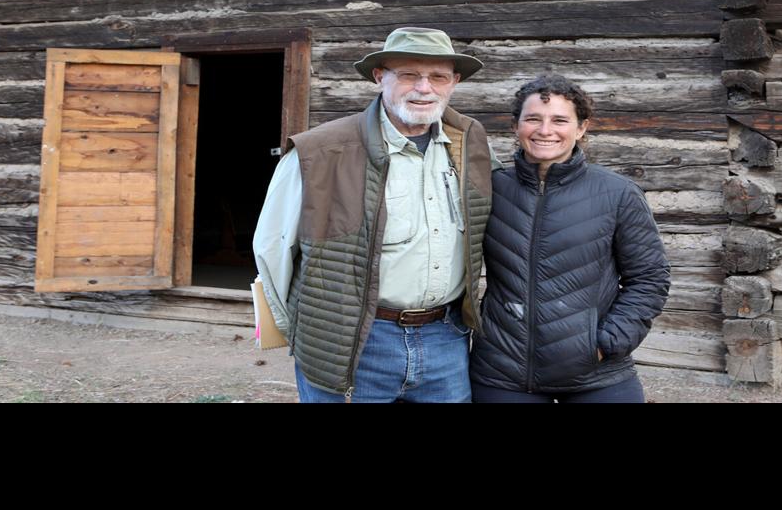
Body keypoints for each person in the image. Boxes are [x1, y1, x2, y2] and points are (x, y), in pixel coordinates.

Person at [253, 27, 494, 403]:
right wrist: (308, 337)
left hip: (446, 339)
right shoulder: (318, 152)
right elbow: (272, 253)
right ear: (381, 77)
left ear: (454, 82)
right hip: (356, 342)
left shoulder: (470, 143)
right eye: (409, 75)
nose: (424, 88)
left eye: (438, 77)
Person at [469, 74, 670, 403]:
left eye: (560, 120)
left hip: (597, 374)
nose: (545, 130)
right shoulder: (490, 189)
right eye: (533, 118)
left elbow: (649, 277)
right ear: (516, 126)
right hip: (503, 373)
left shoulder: (617, 193)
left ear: (581, 128)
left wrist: (607, 343)